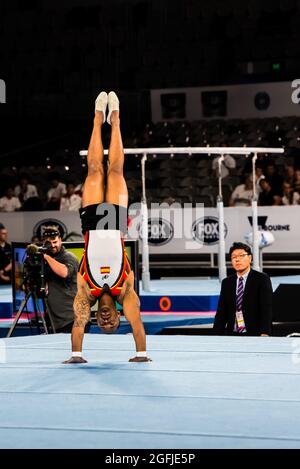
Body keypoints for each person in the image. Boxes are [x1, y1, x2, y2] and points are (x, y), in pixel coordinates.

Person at [64, 91, 151, 364]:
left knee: (92, 169)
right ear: (117, 317)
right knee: (115, 170)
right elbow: (137, 324)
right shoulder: (125, 292)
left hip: (91, 225)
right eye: (112, 324)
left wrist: (76, 355)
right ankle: (115, 119)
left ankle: (96, 117)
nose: (106, 321)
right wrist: (141, 354)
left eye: (103, 326)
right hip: (114, 225)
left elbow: (78, 324)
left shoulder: (85, 292)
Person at [213, 242, 273, 336]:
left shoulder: (262, 279)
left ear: (249, 258)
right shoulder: (227, 282)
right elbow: (221, 311)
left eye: (241, 256)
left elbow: (266, 308)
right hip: (232, 333)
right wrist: (215, 335)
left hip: (254, 334)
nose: (237, 259)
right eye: (234, 257)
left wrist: (265, 332)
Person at [41, 225, 79, 333]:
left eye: (55, 242)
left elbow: (64, 272)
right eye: (49, 243)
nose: (52, 245)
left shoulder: (68, 257)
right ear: (44, 243)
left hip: (71, 319)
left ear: (60, 240)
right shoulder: (44, 260)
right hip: (53, 320)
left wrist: (46, 257)